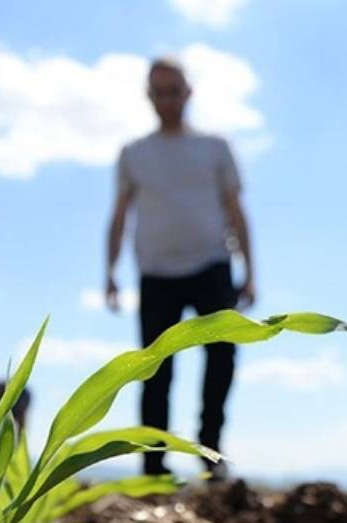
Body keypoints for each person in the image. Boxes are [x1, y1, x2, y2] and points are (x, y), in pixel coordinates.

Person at [104, 56, 255, 481]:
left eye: (174, 92)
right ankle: (154, 466)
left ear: (188, 93)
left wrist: (250, 271)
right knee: (154, 369)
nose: (167, 101)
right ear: (148, 96)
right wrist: (110, 272)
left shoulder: (215, 147)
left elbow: (236, 209)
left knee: (221, 358)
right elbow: (119, 215)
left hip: (212, 266)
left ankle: (211, 452)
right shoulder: (134, 154)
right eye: (159, 93)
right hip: (156, 275)